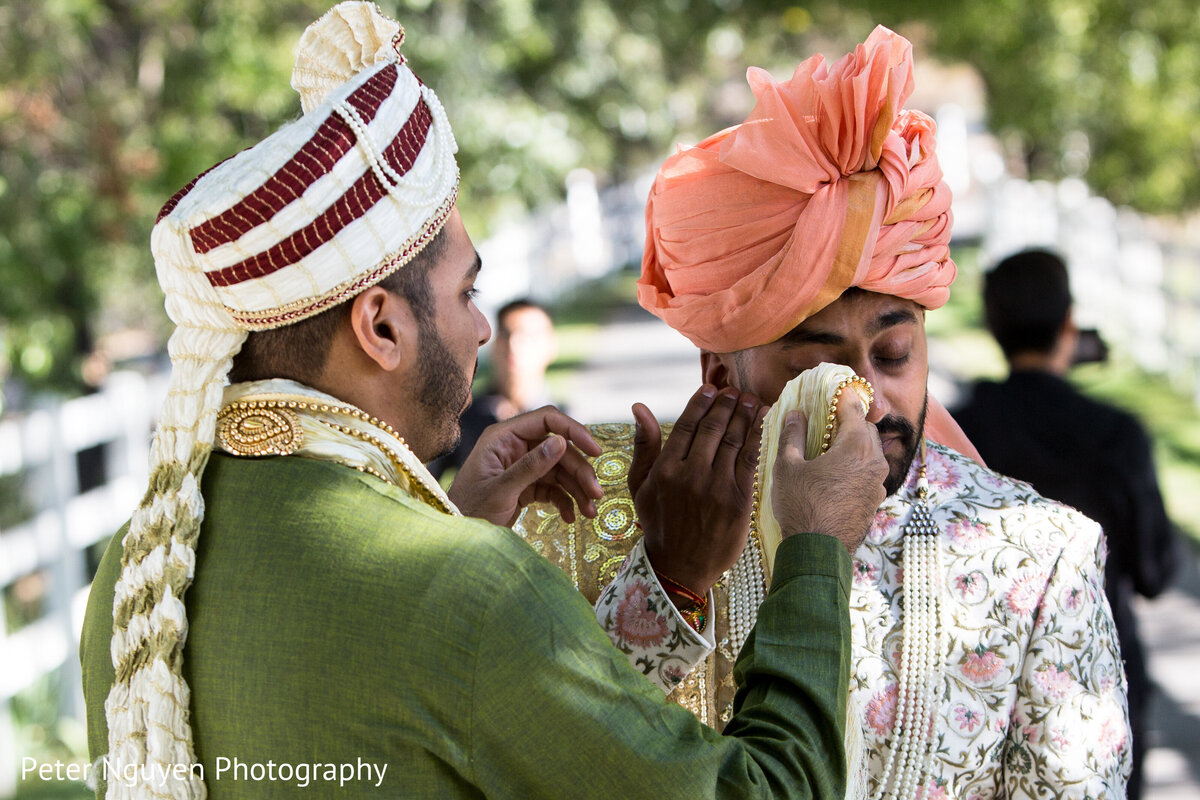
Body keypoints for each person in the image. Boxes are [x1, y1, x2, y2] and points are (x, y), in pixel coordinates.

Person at [77, 3, 890, 798]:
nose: (481, 332)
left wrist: (646, 572)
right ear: (382, 327)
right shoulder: (463, 590)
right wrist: (816, 549)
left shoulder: (140, 567)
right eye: (468, 292)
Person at [515, 27, 1131, 800]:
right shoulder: (596, 514)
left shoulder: (1041, 559)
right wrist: (668, 578)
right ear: (720, 374)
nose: (865, 394)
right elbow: (545, 766)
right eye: (819, 364)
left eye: (895, 353)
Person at [952, 247, 1179, 800]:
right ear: (1069, 326)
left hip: (979, 671)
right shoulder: (1116, 435)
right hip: (1097, 677)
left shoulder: (964, 430)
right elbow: (1155, 572)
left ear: (994, 325)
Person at [427, 298, 560, 479]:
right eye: (506, 334)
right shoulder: (463, 416)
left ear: (550, 346)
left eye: (528, 337)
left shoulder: (568, 421)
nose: (514, 345)